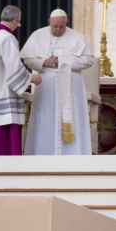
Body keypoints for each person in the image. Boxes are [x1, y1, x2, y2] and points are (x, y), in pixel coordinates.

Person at [21, 9, 95, 155]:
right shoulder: (38, 35)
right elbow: (28, 59)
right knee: (45, 119)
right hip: (46, 86)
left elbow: (89, 60)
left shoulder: (78, 37)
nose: (58, 30)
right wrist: (44, 62)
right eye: (55, 26)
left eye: (61, 27)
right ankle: (43, 152)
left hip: (71, 87)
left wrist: (63, 61)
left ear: (66, 23)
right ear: (49, 22)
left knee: (72, 117)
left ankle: (73, 153)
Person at [0, 5, 42, 155]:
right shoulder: (7, 38)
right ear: (14, 20)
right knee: (3, 138)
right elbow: (14, 70)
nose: (18, 26)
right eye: (18, 22)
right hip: (3, 95)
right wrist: (33, 78)